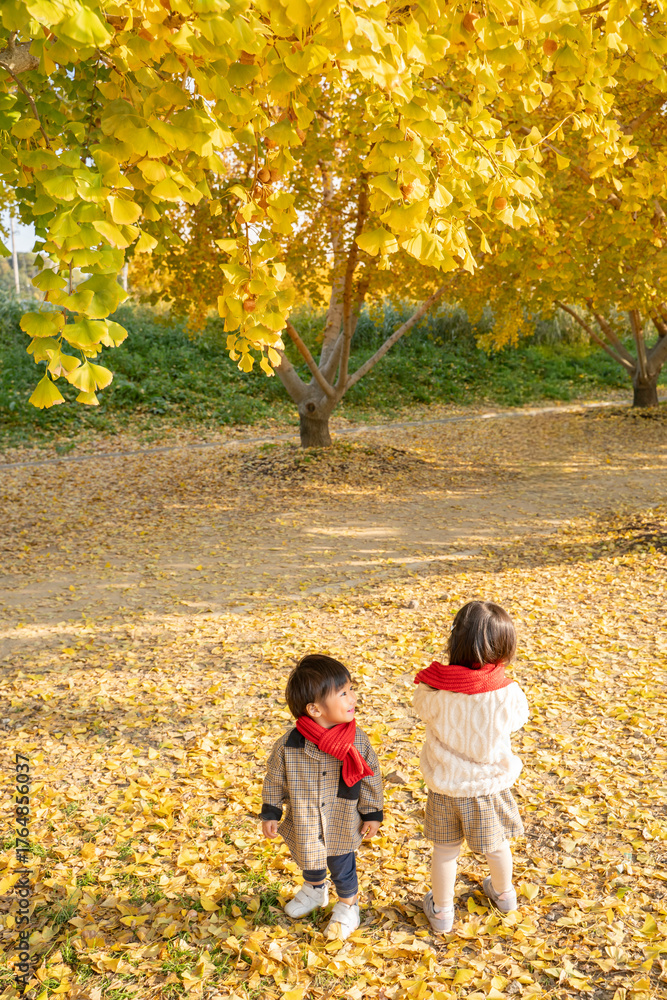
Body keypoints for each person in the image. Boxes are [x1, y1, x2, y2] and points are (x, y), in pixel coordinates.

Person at [412, 600, 529, 934]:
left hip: (446, 787)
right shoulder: (508, 694)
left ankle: (443, 911)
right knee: (497, 845)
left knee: (445, 852)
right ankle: (505, 894)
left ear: (456, 644)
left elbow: (421, 705)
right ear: (504, 649)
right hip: (489, 787)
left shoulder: (433, 689)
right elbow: (518, 719)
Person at [260, 653, 383, 940]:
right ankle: (315, 890)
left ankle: (348, 906)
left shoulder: (357, 741)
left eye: (351, 689)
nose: (352, 697)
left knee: (342, 864)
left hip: (342, 816)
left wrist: (372, 813)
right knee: (310, 857)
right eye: (343, 693)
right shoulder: (289, 746)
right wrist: (270, 812)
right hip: (306, 817)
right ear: (314, 709)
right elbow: (274, 778)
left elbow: (370, 777)